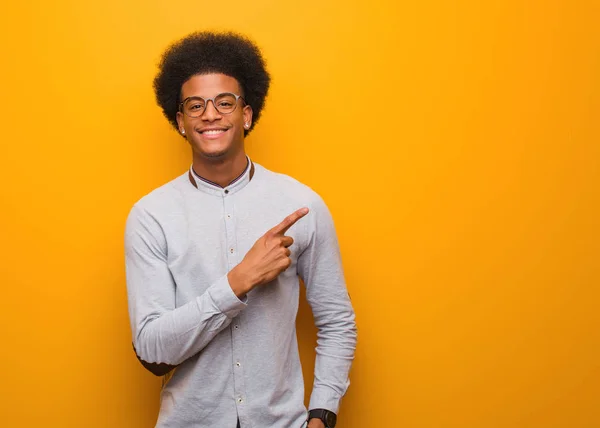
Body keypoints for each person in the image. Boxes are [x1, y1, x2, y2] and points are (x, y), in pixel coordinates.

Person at [124, 31, 357, 428]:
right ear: (180, 121)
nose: (210, 114)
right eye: (195, 105)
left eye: (224, 102)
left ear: (246, 115)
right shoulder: (151, 215)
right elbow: (151, 348)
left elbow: (337, 321)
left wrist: (322, 414)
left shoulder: (300, 205)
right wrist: (236, 283)